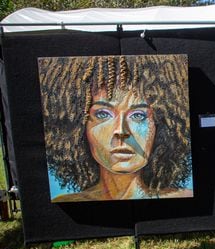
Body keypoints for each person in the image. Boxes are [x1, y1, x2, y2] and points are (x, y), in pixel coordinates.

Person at [40, 55, 194, 201]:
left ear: (163, 127)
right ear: (78, 127)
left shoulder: (183, 197)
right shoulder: (66, 201)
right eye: (102, 114)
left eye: (138, 115)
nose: (121, 131)